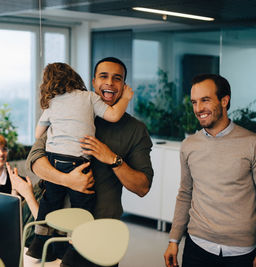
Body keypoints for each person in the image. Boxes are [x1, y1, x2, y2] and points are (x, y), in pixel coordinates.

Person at [26, 57, 154, 266]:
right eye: (104, 76)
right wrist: (68, 180)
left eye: (117, 79)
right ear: (93, 82)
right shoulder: (70, 111)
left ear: (124, 86)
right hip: (58, 233)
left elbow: (142, 187)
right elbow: (35, 160)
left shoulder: (135, 130)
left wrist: (112, 159)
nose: (110, 83)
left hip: (103, 236)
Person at [163, 74, 256, 267]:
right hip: (197, 246)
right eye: (194, 102)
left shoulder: (251, 143)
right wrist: (174, 240)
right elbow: (185, 194)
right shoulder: (189, 145)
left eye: (205, 100)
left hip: (241, 251)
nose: (198, 109)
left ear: (224, 101)